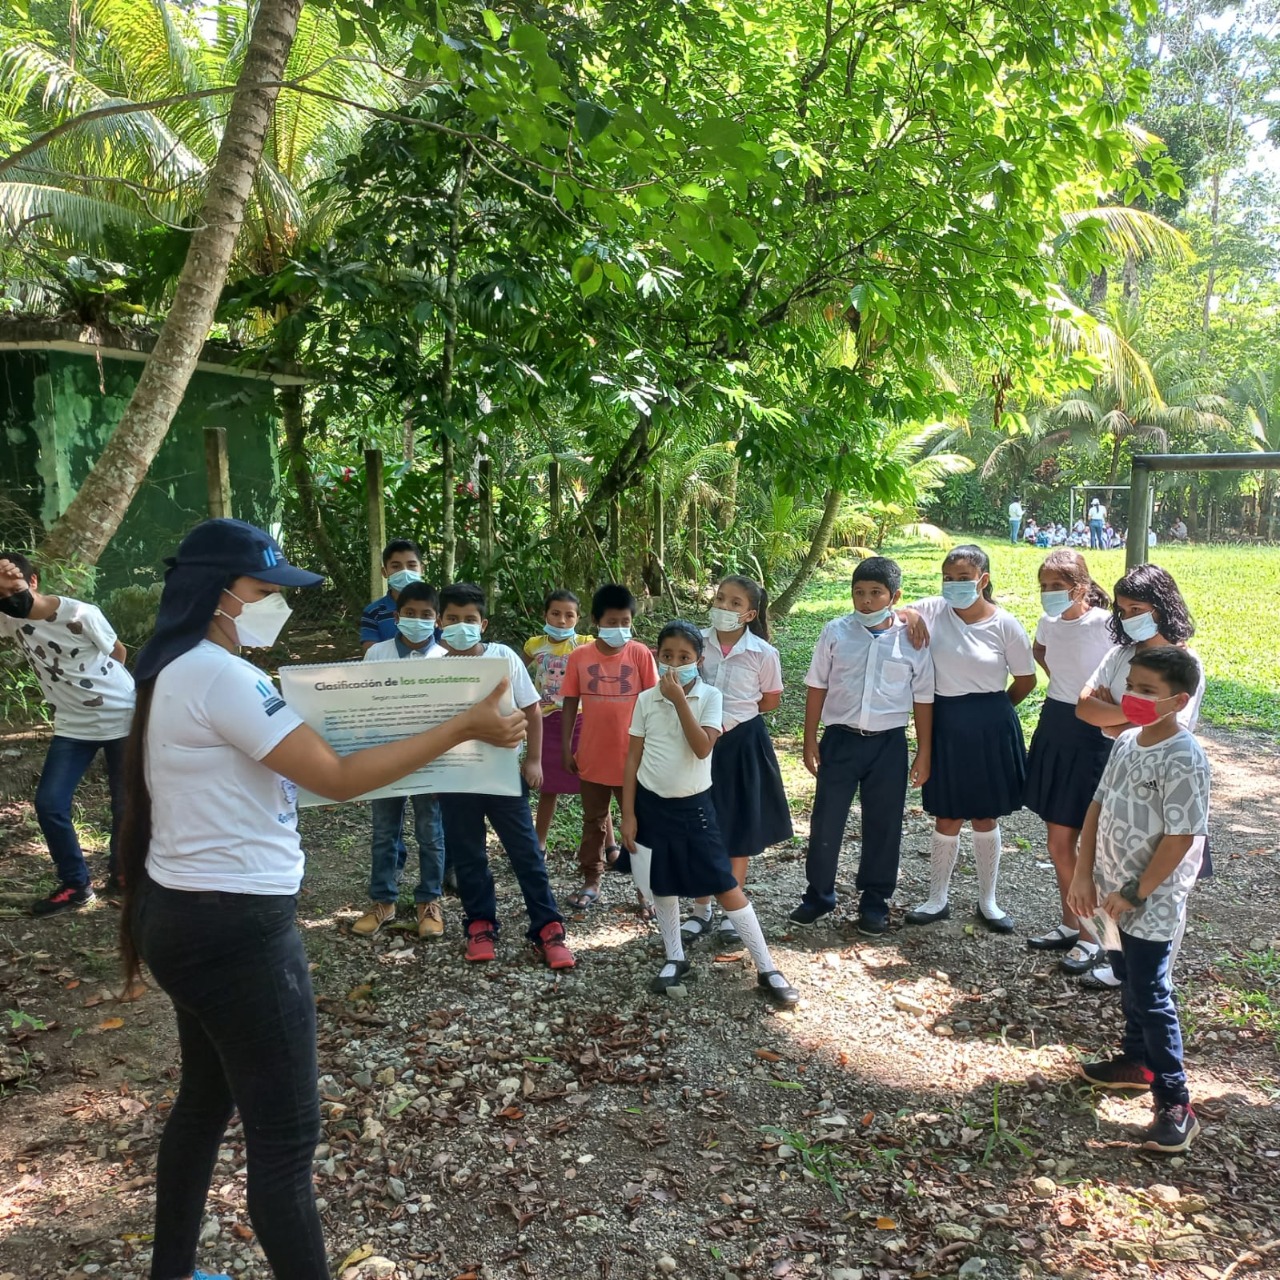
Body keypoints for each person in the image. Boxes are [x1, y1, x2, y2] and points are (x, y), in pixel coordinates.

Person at [117, 518, 526, 1280]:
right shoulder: (216, 673)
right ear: (217, 596)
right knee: (286, 1141)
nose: (277, 605)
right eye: (265, 592)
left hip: (185, 911)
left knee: (205, 1104)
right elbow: (332, 777)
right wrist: (461, 723)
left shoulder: (177, 666)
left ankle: (170, 1271)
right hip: (238, 930)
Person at [1067, 646, 1209, 1153]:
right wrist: (1084, 874)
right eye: (1133, 685)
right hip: (1107, 893)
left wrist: (1135, 892)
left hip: (1150, 900)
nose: (1134, 697)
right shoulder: (1126, 740)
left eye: (1148, 691)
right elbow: (1097, 807)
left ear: (1179, 700)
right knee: (1123, 971)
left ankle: (1175, 1103)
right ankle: (1136, 1061)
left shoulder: (1186, 756)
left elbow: (1180, 838)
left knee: (1151, 989)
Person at [621, 621, 798, 1007]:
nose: (675, 663)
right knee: (661, 883)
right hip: (652, 805)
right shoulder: (646, 699)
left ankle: (766, 966)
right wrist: (628, 813)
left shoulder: (710, 697)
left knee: (724, 883)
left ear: (699, 660)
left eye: (684, 657)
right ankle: (674, 956)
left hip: (695, 806)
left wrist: (680, 700)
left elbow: (702, 747)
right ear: (656, 656)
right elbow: (632, 756)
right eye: (667, 656)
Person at [1074, 563, 1205, 988]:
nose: (1130, 617)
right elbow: (1085, 708)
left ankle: (1157, 976)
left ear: (1162, 606)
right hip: (1123, 775)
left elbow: (1161, 724)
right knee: (1116, 874)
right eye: (1123, 609)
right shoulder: (1120, 655)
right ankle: (1121, 967)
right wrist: (1125, 718)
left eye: (1138, 608)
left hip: (1163, 787)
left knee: (1162, 886)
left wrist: (1114, 715)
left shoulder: (1182, 663)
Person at [432, 583, 575, 968]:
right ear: (439, 622)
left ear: (483, 623)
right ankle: (480, 924)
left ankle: (548, 927)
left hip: (502, 777)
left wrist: (533, 761)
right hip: (454, 779)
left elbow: (532, 709)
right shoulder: (431, 666)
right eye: (452, 619)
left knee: (525, 852)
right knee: (468, 854)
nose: (461, 626)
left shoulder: (504, 658)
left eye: (469, 619)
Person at [788, 558, 934, 935]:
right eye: (859, 593)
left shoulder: (912, 640)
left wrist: (924, 750)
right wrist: (809, 740)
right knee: (826, 821)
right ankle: (818, 895)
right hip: (840, 741)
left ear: (894, 596)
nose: (866, 601)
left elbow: (922, 698)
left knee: (884, 825)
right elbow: (817, 685)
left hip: (888, 746)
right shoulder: (835, 632)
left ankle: (875, 902)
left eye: (875, 594)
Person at [902, 545, 1037, 932]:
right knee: (947, 813)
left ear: (983, 579)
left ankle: (988, 899)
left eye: (964, 578)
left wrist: (997, 710)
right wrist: (910, 613)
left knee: (984, 814)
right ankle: (937, 898)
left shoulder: (1005, 624)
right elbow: (896, 611)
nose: (955, 584)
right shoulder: (933, 610)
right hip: (944, 720)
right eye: (948, 577)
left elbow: (1026, 679)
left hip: (992, 722)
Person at [0, 551, 136, 913]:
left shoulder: (82, 613)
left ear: (33, 582)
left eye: (14, 589)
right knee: (49, 803)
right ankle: (75, 884)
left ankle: (123, 875)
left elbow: (118, 653)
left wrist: (97, 692)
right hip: (73, 726)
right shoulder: (10, 619)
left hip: (122, 716)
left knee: (124, 802)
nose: (8, 600)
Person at [682, 575, 793, 947]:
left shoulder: (763, 653)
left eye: (734, 603)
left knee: (738, 828)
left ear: (749, 614)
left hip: (743, 744)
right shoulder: (694, 643)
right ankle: (700, 911)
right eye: (720, 599)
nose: (724, 608)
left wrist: (733, 717)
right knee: (700, 823)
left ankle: (733, 909)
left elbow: (770, 700)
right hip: (699, 743)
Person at [1023, 551, 1115, 970]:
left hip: (1093, 733)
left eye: (1055, 587)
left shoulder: (1105, 625)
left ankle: (1091, 936)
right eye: (1043, 586)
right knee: (1058, 840)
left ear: (1080, 587)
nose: (1047, 594)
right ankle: (1069, 922)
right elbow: (1041, 653)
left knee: (1074, 843)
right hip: (1055, 722)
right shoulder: (1048, 623)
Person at [352, 581, 448, 939]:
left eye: (426, 615)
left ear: (437, 620)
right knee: (384, 832)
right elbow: (361, 706)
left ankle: (429, 901)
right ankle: (383, 901)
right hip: (384, 759)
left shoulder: (445, 660)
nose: (418, 620)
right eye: (410, 614)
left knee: (431, 832)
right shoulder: (376, 654)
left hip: (430, 763)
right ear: (396, 617)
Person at [560, 583, 658, 910]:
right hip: (592, 756)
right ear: (596, 621)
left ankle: (644, 890)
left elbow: (654, 703)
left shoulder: (640, 654)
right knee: (593, 821)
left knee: (640, 823)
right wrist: (565, 746)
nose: (619, 629)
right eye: (612, 622)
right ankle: (592, 879)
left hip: (635, 759)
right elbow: (571, 702)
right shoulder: (580, 657)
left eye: (625, 622)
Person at [523, 589, 597, 857]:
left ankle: (605, 844)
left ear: (578, 618)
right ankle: (538, 844)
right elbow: (517, 672)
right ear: (546, 615)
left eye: (569, 615)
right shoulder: (534, 645)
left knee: (592, 786)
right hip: (545, 722)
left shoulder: (586, 644)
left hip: (578, 720)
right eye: (556, 613)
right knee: (548, 786)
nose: (562, 620)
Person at [361, 538, 427, 652]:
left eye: (411, 565)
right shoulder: (373, 612)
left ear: (422, 569)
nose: (405, 571)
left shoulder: (437, 609)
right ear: (384, 572)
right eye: (396, 566)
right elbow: (372, 654)